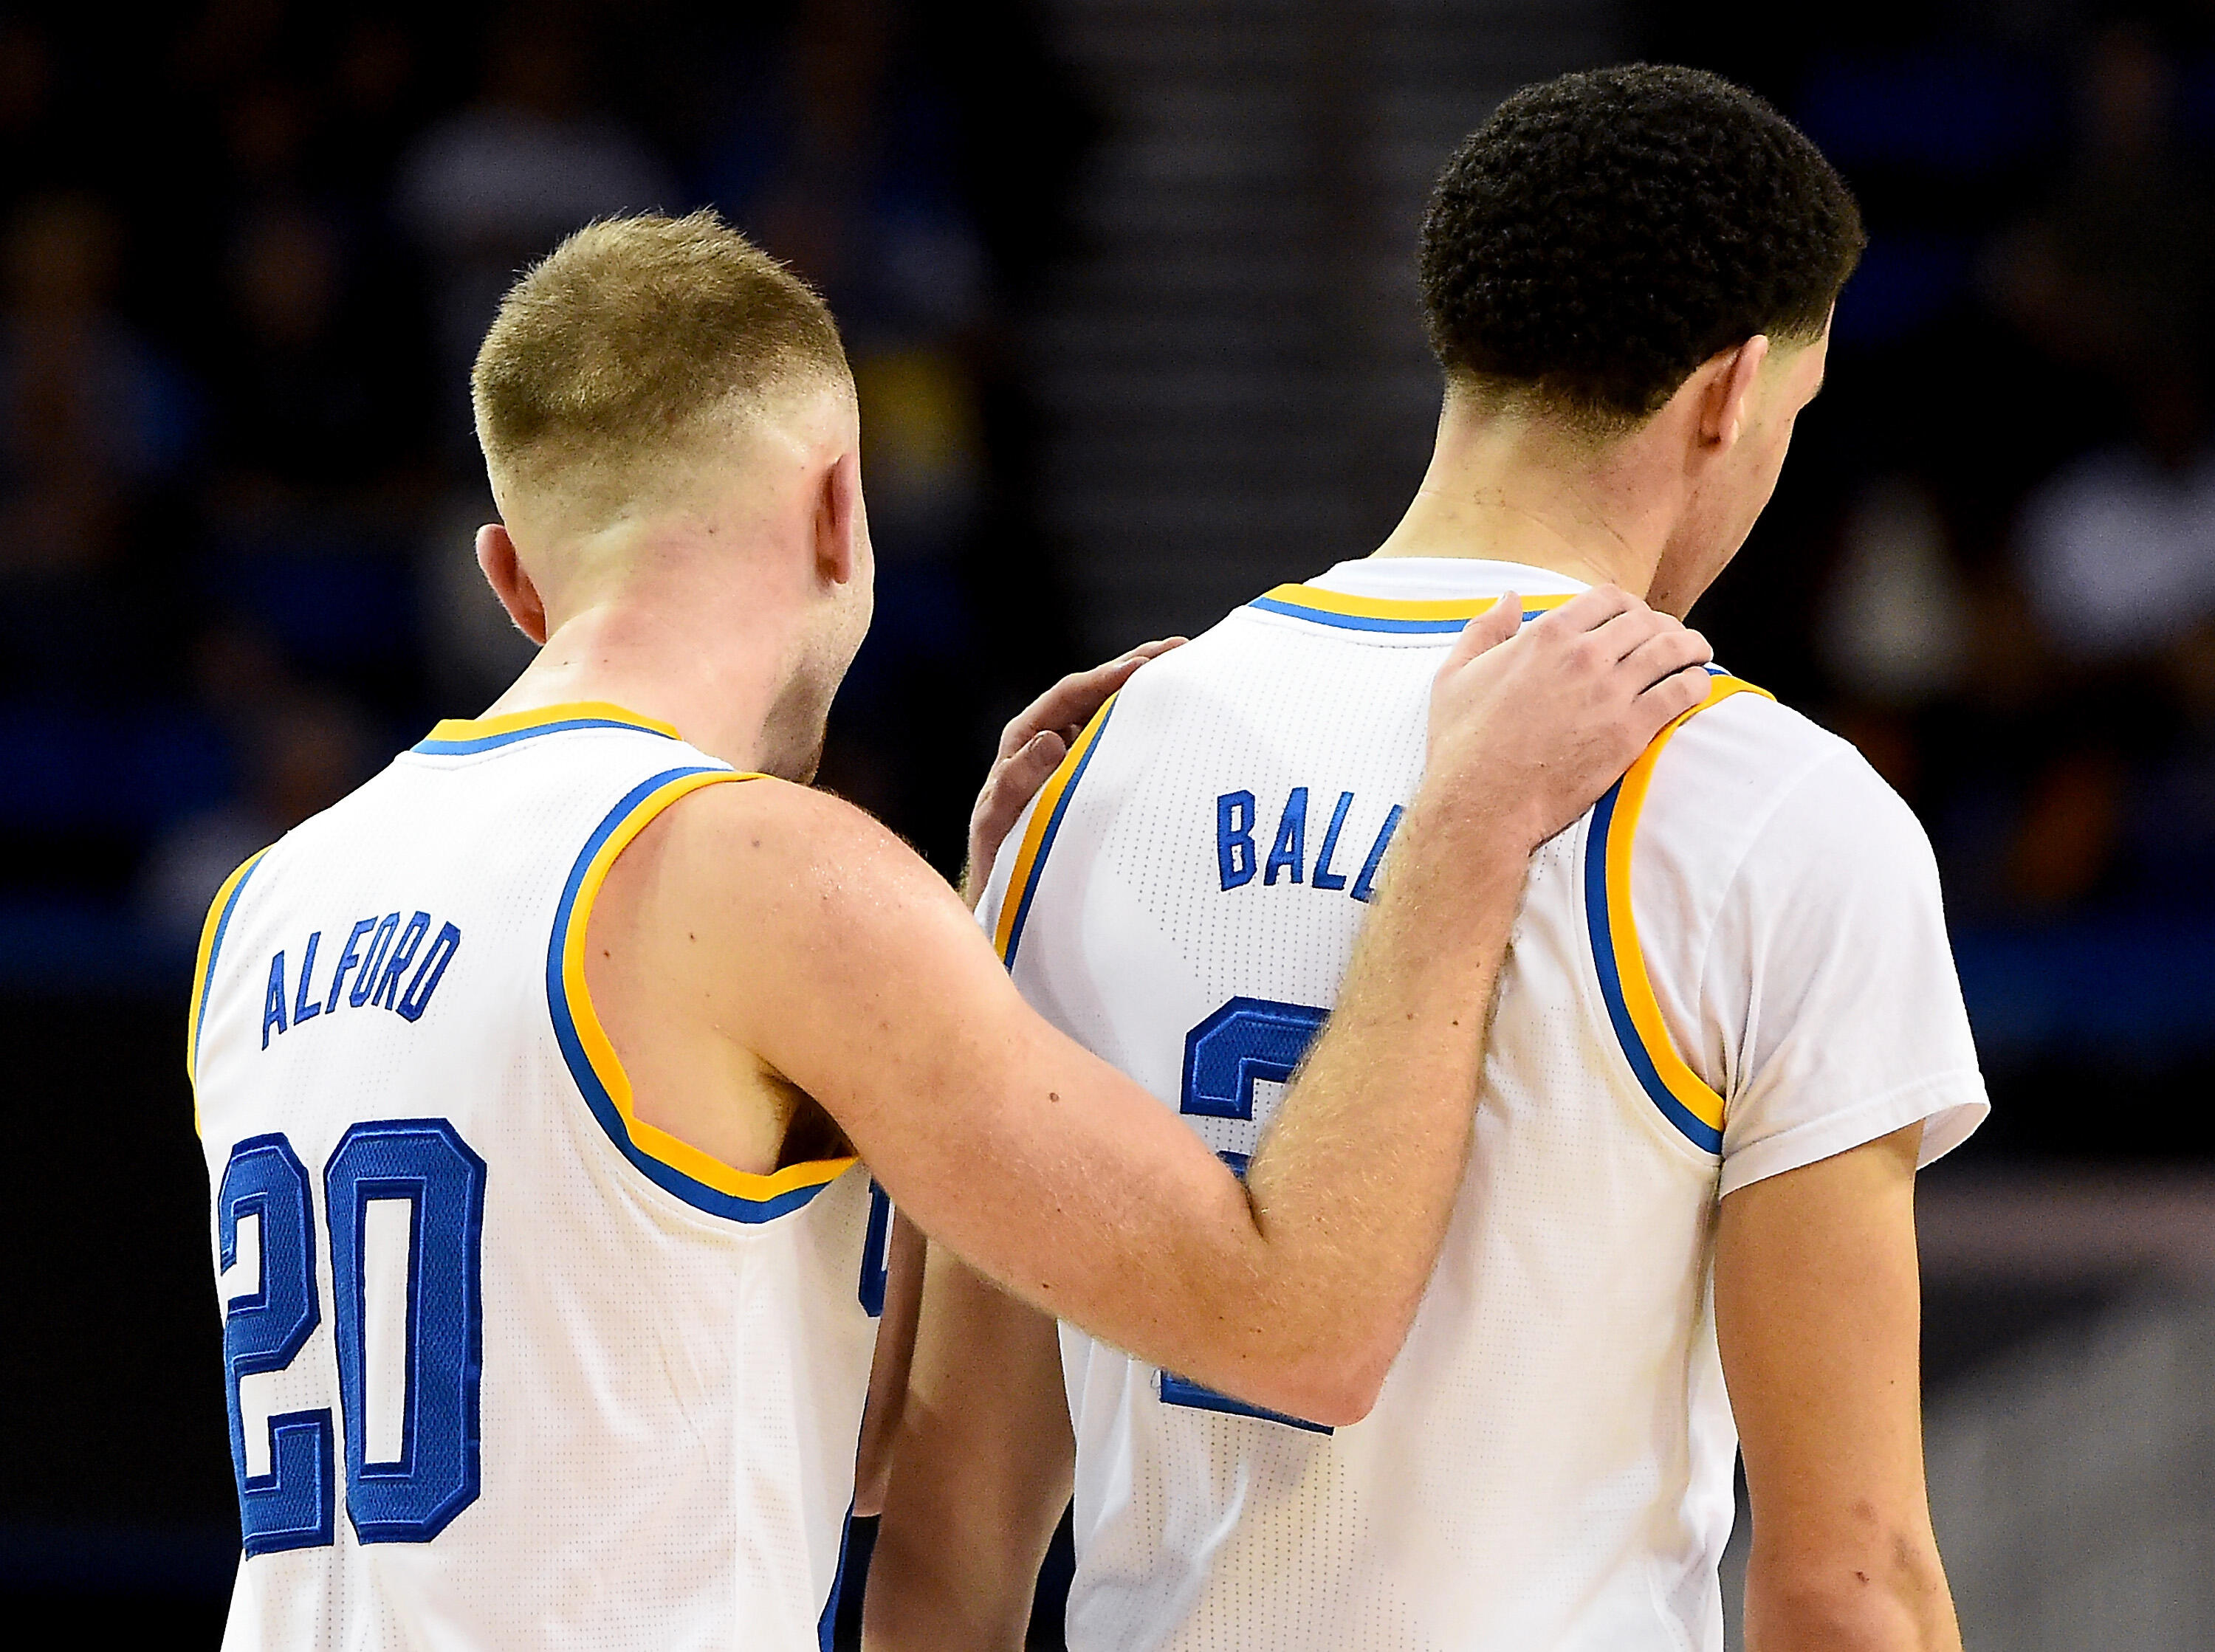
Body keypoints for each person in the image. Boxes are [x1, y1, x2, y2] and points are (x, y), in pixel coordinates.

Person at [186, 209, 1714, 1649]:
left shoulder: (268, 904)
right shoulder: (755, 874)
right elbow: (1298, 1333)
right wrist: (1463, 833)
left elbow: (789, 1427)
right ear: (843, 508)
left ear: (511, 579)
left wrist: (964, 940)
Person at [866, 66, 1985, 1652]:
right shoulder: (1771, 809)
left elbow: (956, 1509)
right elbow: (1848, 1579)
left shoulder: (1088, 768)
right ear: (1734, 393)